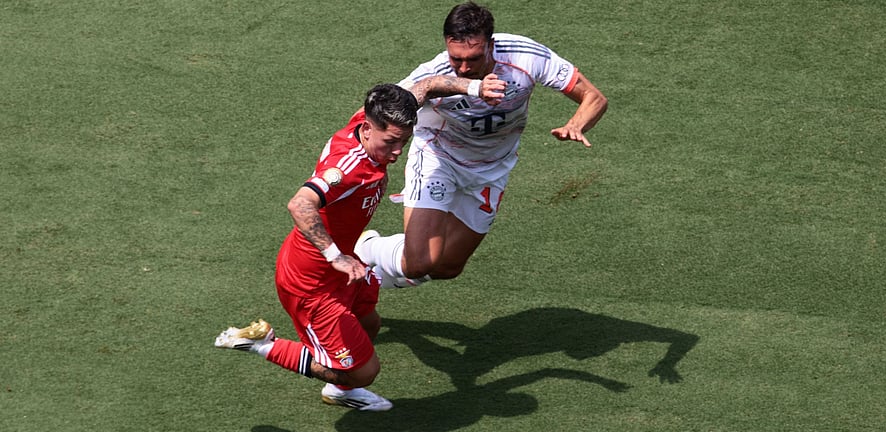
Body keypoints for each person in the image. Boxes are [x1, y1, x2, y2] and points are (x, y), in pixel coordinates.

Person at [355, 2, 608, 288]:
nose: (463, 68)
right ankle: (364, 250)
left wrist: (576, 124)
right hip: (439, 159)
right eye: (456, 58)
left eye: (473, 59)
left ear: (491, 44)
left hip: (492, 170)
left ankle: (366, 284)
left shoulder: (524, 56)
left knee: (448, 266)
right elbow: (388, 109)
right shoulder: (435, 72)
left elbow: (594, 98)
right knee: (420, 262)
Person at [213, 84, 419, 411]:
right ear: (367, 129)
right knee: (364, 372)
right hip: (312, 285)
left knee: (370, 324)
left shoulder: (366, 124)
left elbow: (420, 89)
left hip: (343, 271)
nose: (397, 152)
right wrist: (335, 256)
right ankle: (262, 344)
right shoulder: (346, 170)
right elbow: (300, 204)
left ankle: (340, 388)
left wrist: (472, 86)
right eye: (391, 142)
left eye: (403, 143)